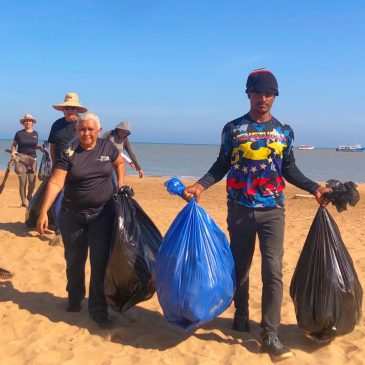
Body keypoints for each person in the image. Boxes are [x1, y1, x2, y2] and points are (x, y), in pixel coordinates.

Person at [183, 68, 331, 360]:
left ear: (274, 96)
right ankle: (240, 315)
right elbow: (221, 164)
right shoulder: (233, 129)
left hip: (273, 210)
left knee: (273, 271)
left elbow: (289, 169)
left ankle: (269, 333)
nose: (263, 98)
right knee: (240, 267)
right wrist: (201, 185)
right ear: (248, 94)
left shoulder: (284, 131)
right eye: (258, 92)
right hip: (239, 208)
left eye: (269, 93)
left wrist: (315, 188)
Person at [37, 112, 125, 329]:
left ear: (98, 130)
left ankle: (98, 308)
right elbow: (57, 182)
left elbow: (120, 163)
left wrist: (120, 185)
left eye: (90, 129)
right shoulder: (68, 150)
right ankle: (75, 297)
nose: (86, 133)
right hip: (72, 216)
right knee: (74, 261)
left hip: (103, 215)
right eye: (82, 129)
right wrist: (43, 211)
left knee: (99, 263)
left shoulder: (107, 147)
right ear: (77, 131)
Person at [47, 92, 88, 246]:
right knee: (56, 200)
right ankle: (59, 231)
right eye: (67, 108)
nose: (69, 111)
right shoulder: (56, 125)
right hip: (59, 168)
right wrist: (53, 163)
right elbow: (52, 145)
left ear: (77, 110)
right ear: (63, 110)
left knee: (78, 201)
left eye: (72, 108)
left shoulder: (83, 125)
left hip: (78, 169)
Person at [11, 114, 42, 207]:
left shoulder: (35, 133)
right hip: (21, 159)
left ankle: (29, 196)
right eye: (26, 121)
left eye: (30, 120)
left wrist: (39, 147)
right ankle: (24, 202)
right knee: (22, 182)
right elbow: (13, 145)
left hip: (32, 159)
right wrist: (13, 152)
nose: (28, 122)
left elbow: (33, 146)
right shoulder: (19, 133)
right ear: (24, 122)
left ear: (32, 123)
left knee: (32, 182)